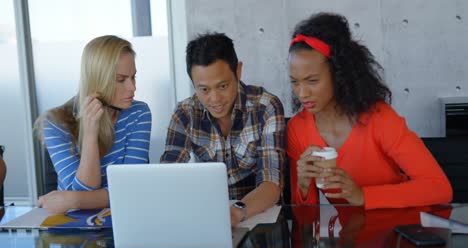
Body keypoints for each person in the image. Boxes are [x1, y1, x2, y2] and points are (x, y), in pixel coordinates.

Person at [286, 13, 452, 209]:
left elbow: (440, 188)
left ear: (339, 74)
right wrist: (303, 187)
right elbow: (305, 215)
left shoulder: (380, 118)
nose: (302, 93)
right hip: (350, 236)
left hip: (398, 230)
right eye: (295, 82)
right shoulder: (297, 128)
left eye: (312, 81)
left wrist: (362, 196)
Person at [160, 32, 285, 226]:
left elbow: (271, 184)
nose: (215, 99)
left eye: (223, 86)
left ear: (239, 70)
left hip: (260, 220)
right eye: (204, 90)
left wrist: (234, 214)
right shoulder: (185, 113)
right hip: (209, 218)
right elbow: (167, 179)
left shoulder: (265, 107)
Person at [35, 35, 152, 214]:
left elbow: (130, 190)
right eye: (121, 80)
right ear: (97, 80)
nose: (132, 88)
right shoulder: (54, 123)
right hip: (73, 229)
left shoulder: (138, 113)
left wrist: (71, 199)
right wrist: (90, 134)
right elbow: (86, 191)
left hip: (123, 218)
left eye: (133, 77)